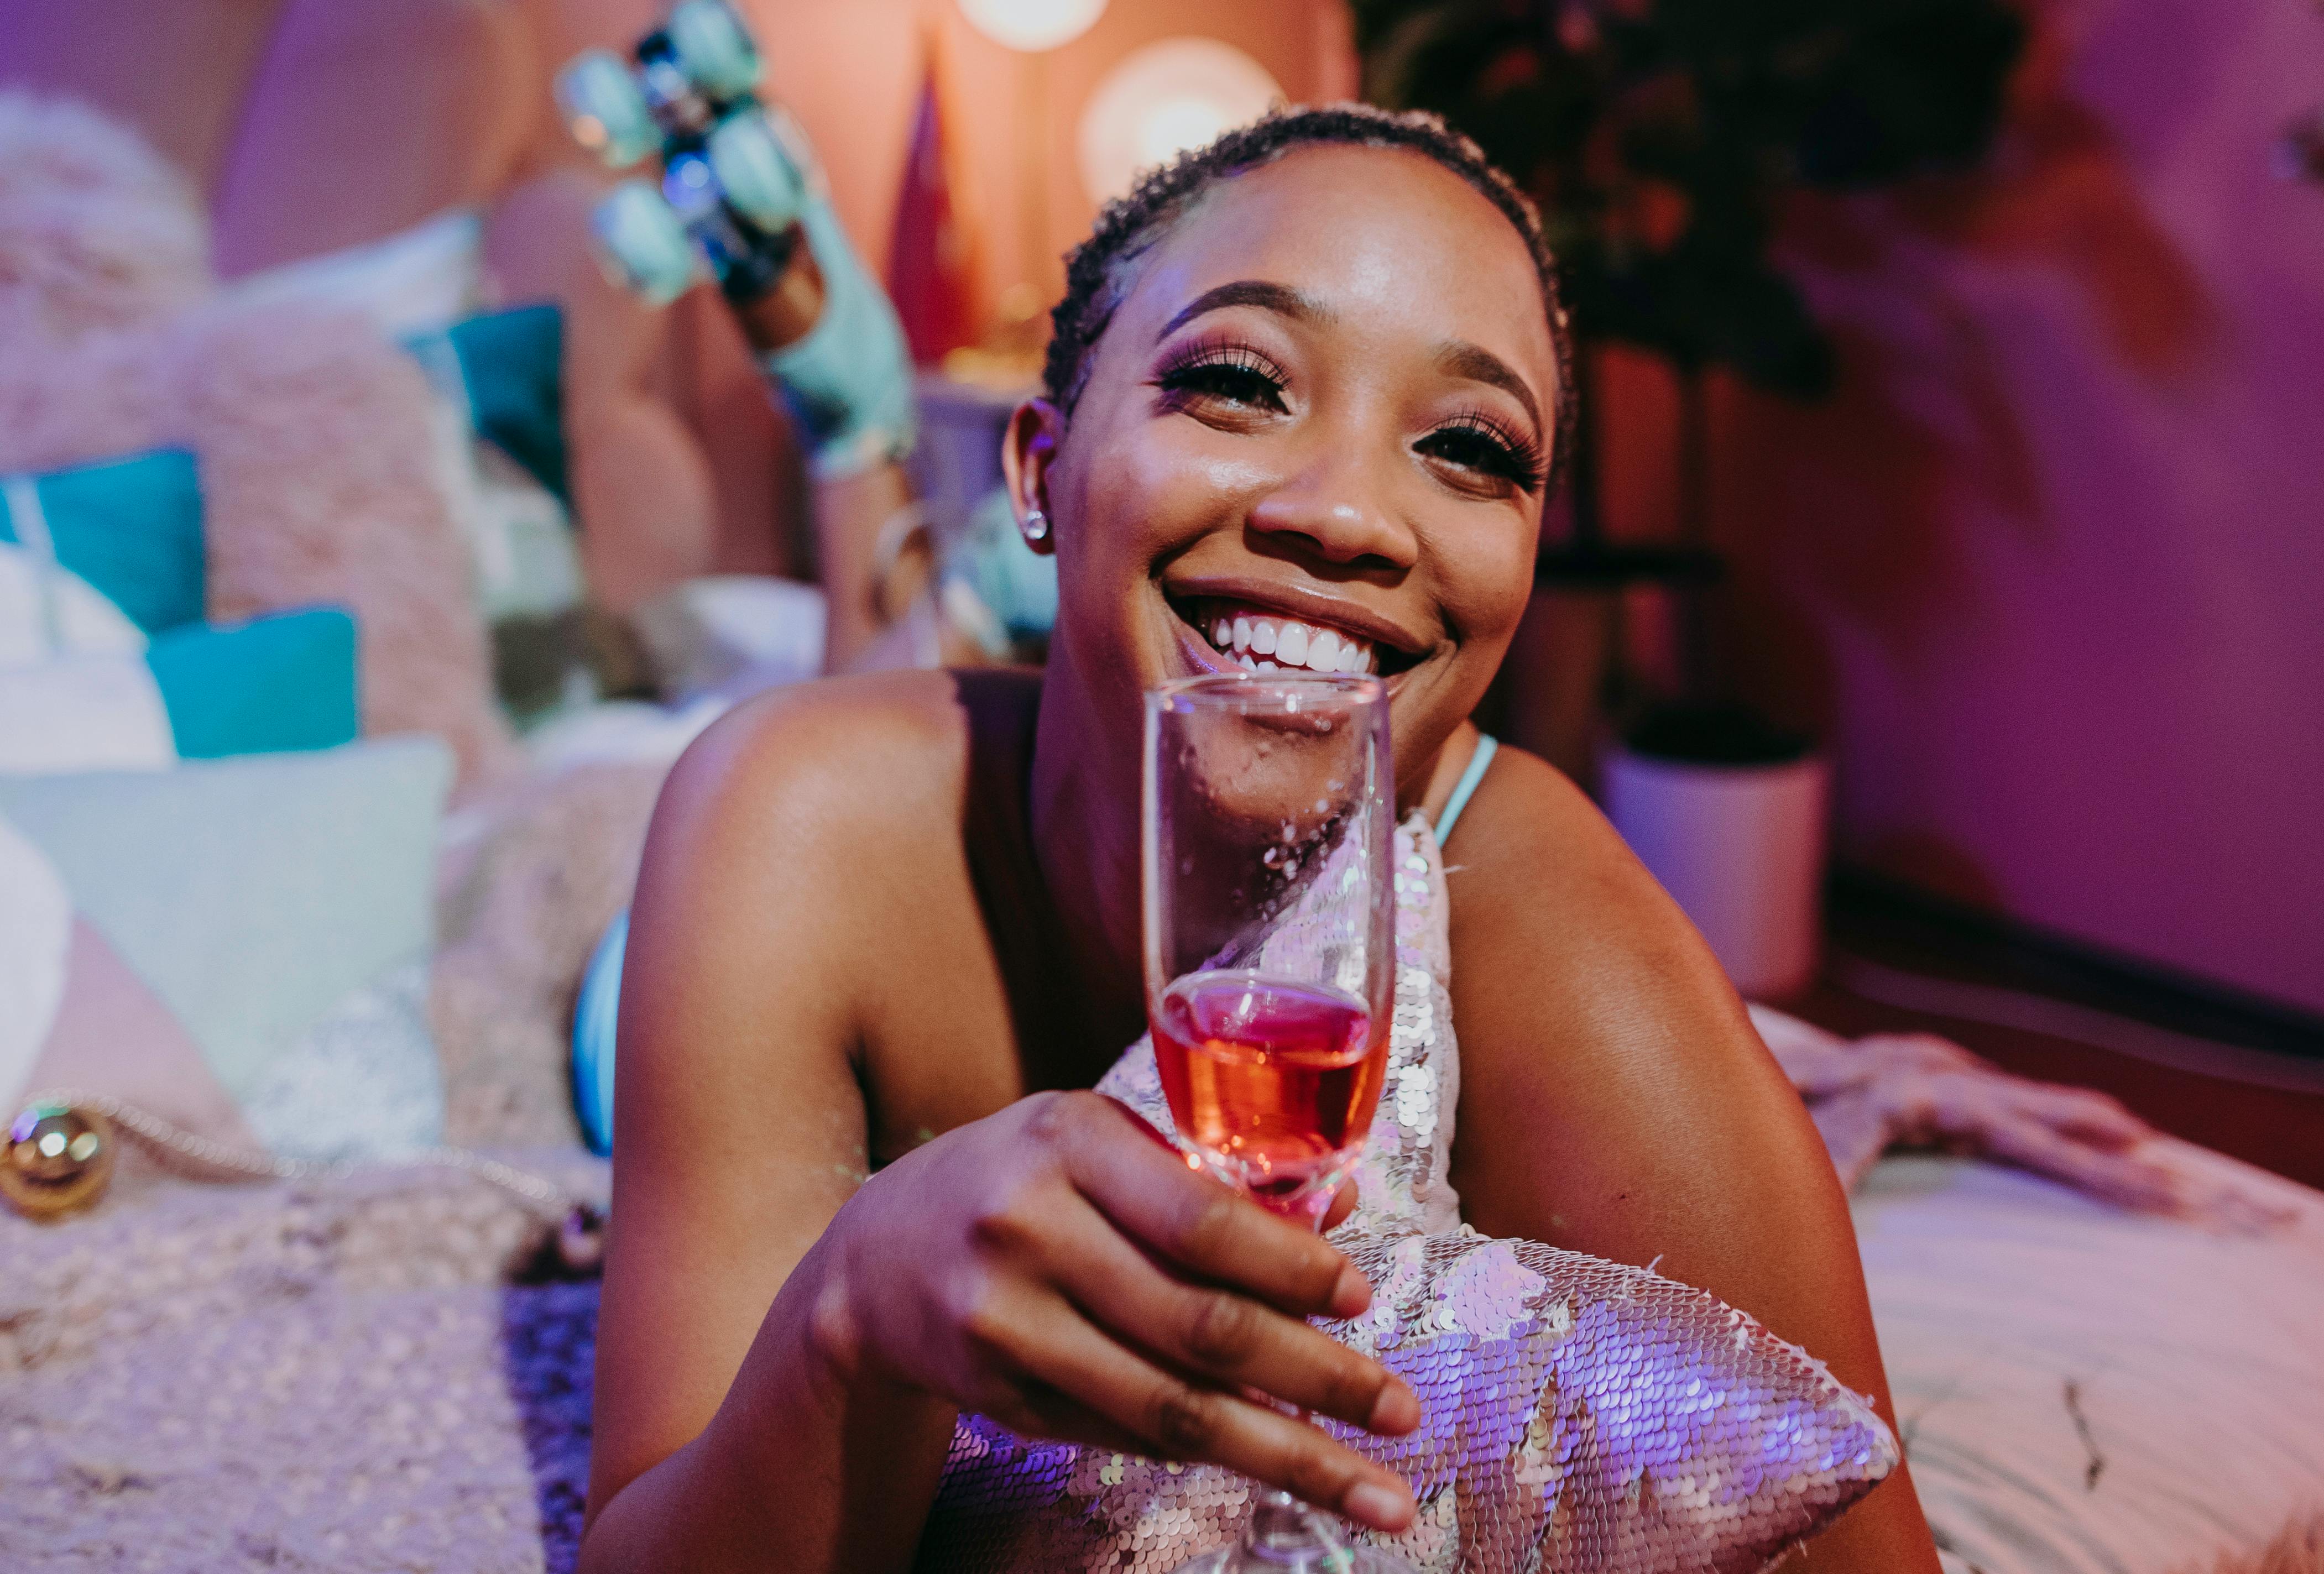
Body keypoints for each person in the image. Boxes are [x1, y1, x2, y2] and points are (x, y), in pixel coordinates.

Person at [578, 103, 1941, 1573]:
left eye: (1472, 449)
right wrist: (847, 1320)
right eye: (1238, 383)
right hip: (631, 990)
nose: (1350, 513)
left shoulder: (1551, 932)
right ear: (1038, 474)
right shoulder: (795, 816)